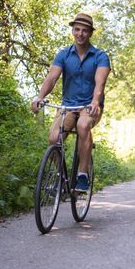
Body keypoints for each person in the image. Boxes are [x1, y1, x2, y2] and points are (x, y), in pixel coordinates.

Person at [31, 13, 111, 192]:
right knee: (53, 138)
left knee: (83, 126)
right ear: (72, 31)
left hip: (90, 106)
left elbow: (100, 83)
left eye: (84, 30)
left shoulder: (100, 56)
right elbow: (52, 78)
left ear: (90, 33)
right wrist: (40, 97)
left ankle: (82, 175)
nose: (80, 34)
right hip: (68, 105)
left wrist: (95, 101)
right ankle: (61, 178)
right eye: (77, 29)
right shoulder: (64, 55)